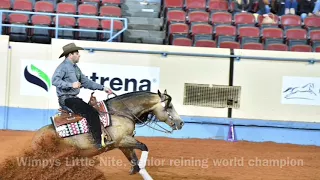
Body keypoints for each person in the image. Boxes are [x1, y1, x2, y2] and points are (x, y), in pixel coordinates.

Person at [52, 42, 114, 149]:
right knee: (92, 113)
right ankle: (97, 142)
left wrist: (103, 88)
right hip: (66, 99)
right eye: (77, 53)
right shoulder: (63, 67)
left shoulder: (76, 68)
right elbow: (54, 80)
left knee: (91, 111)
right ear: (70, 55)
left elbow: (87, 82)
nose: (79, 55)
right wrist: (71, 84)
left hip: (72, 98)